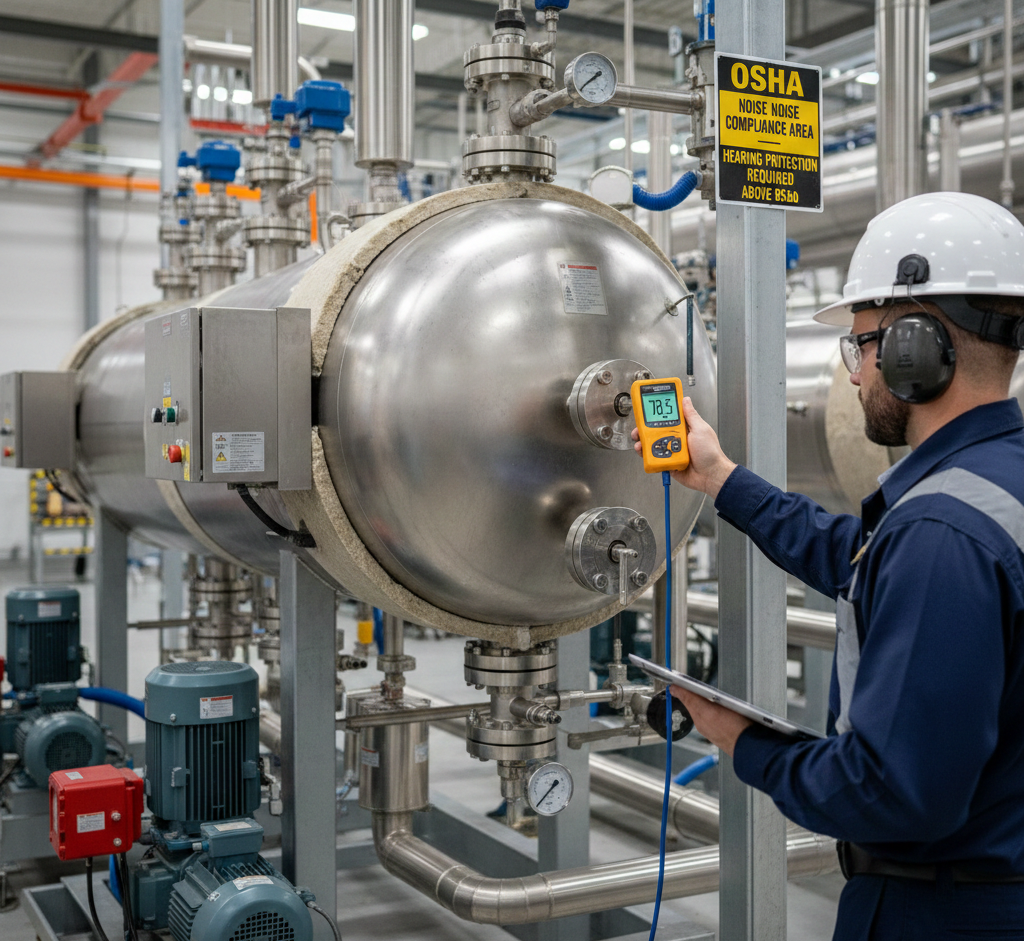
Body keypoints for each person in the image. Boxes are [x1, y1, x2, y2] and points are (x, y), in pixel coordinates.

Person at [636, 192, 1024, 940]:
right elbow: (861, 559)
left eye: (862, 344)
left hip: (941, 911)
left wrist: (744, 743)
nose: (854, 375)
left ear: (915, 348)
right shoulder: (990, 489)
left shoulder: (941, 531)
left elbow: (891, 795)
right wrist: (721, 478)